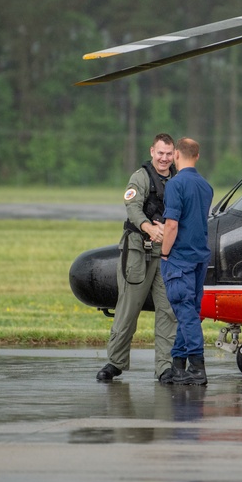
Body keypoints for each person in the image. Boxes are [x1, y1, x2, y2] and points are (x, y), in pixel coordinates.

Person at [96, 134, 179, 384]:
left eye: (168, 154)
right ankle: (115, 362)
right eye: (160, 153)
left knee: (168, 312)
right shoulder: (140, 177)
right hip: (138, 253)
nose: (164, 158)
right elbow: (132, 208)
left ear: (174, 154)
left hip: (167, 255)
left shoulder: (178, 179)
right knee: (128, 309)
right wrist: (148, 227)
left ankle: (165, 367)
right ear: (152, 151)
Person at [160, 138, 214, 385]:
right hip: (200, 257)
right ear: (198, 156)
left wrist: (164, 253)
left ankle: (197, 367)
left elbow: (171, 224)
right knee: (188, 311)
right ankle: (178, 365)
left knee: (185, 313)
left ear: (177, 155)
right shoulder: (206, 186)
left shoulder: (175, 184)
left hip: (179, 257)